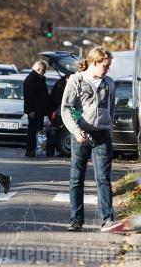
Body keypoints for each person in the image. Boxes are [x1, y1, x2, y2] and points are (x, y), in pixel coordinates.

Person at [60, 46, 116, 232]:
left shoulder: (109, 83)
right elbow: (66, 109)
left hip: (102, 135)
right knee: (77, 178)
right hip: (81, 135)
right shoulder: (76, 80)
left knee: (103, 179)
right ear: (95, 62)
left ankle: (107, 219)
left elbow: (111, 108)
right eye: (105, 65)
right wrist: (76, 131)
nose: (107, 69)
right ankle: (76, 220)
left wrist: (109, 128)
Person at [23, 60, 50, 157]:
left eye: (44, 71)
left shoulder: (38, 78)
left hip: (39, 110)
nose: (43, 72)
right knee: (32, 131)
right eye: (42, 70)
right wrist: (30, 110)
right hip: (34, 110)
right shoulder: (31, 79)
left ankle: (35, 150)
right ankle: (30, 150)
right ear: (38, 69)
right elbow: (28, 96)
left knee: (38, 130)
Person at [45, 74, 69, 156]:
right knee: (54, 132)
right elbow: (55, 100)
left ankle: (54, 150)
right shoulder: (61, 84)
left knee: (55, 132)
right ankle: (50, 151)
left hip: (62, 112)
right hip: (58, 112)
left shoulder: (61, 83)